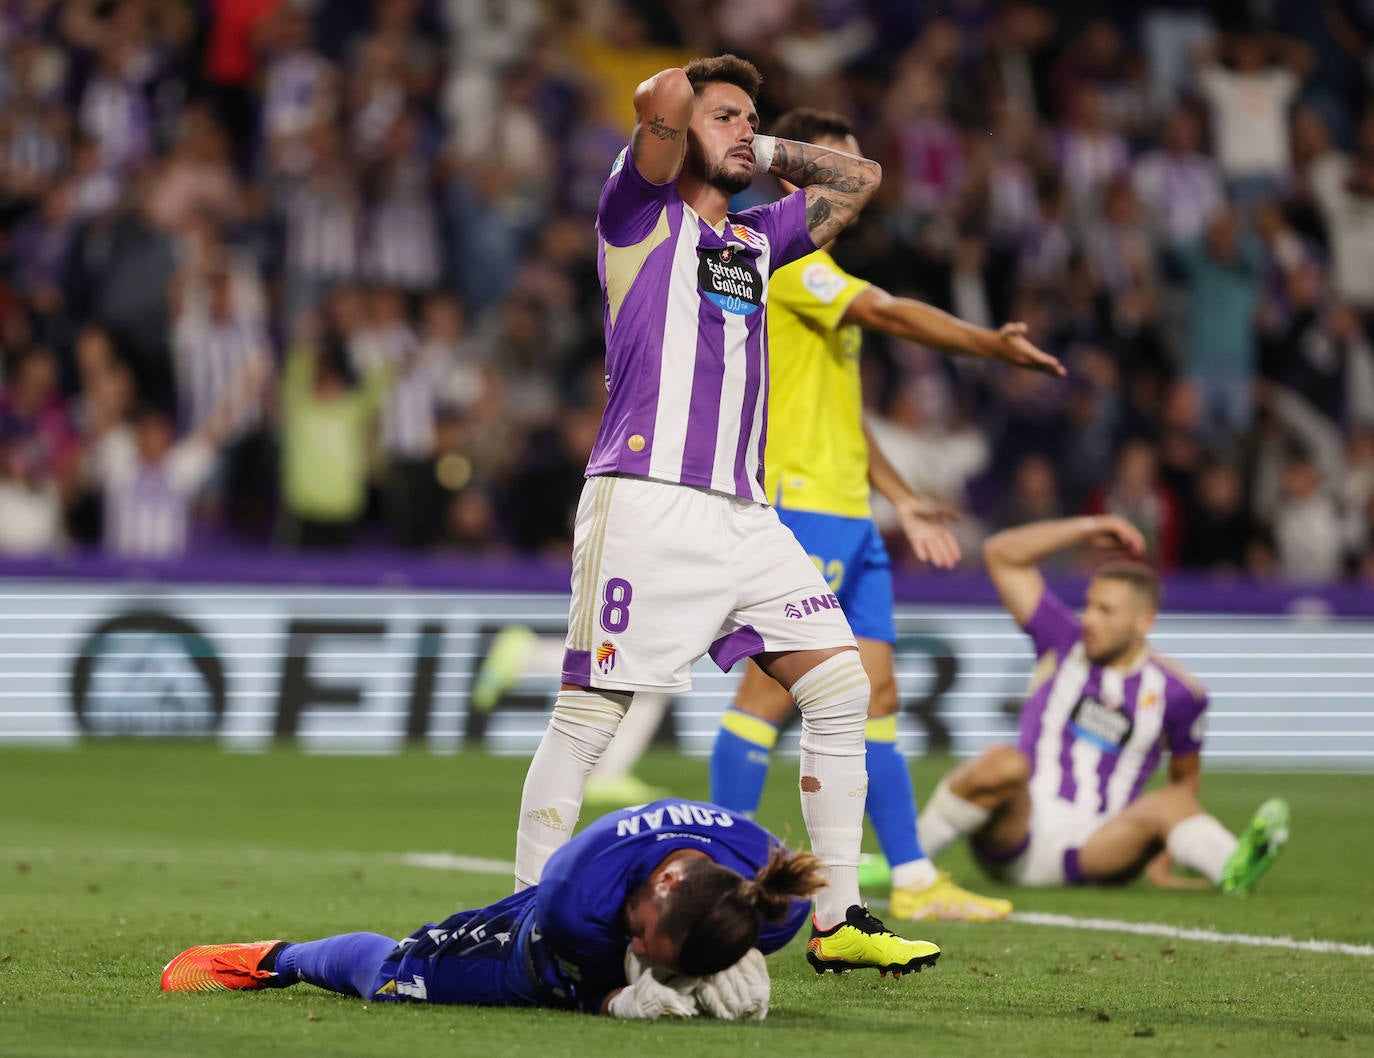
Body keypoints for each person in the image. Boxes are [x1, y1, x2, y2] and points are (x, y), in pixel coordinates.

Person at [513, 54, 934, 974]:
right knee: (590, 716)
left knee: (838, 687)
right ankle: (527, 921)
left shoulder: (757, 240)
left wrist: (755, 139)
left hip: (747, 516)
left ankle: (839, 918)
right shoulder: (635, 215)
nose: (746, 128)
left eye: (755, 117)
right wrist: (695, 105)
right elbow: (656, 98)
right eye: (728, 118)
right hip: (645, 503)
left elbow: (859, 179)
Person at [709, 107, 1065, 923]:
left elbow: (842, 411)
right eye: (843, 166)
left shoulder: (816, 273)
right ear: (798, 177)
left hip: (850, 516)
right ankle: (733, 868)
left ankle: (911, 878)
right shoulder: (786, 261)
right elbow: (894, 315)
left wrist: (899, 494)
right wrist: (987, 345)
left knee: (877, 693)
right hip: (798, 510)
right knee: (771, 700)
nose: (863, 184)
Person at [161, 799, 933, 1017]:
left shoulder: (775, 907)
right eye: (646, 942)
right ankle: (275, 960)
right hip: (531, 941)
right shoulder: (579, 893)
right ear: (656, 891)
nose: (645, 948)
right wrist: (616, 997)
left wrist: (713, 970)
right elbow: (578, 973)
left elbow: (709, 936)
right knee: (395, 975)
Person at [914, 515, 1289, 894]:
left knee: (1169, 802)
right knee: (1004, 761)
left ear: (1144, 621)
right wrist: (1086, 529)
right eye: (1089, 605)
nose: (1089, 618)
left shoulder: (1179, 693)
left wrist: (1165, 847)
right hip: (1016, 835)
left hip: (1097, 849)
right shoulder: (1062, 641)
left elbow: (1185, 783)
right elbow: (1001, 554)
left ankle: (1232, 866)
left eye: (1106, 610)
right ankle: (908, 863)